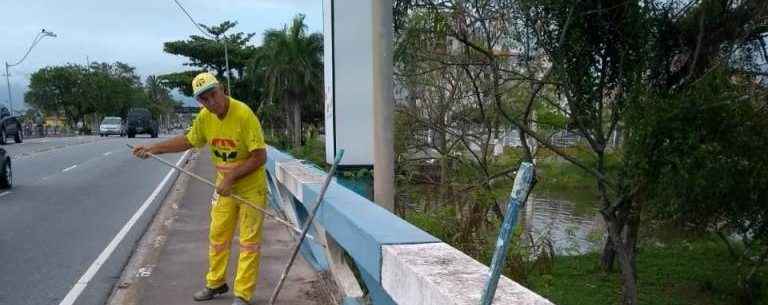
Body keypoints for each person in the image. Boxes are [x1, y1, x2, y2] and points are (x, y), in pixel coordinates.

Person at [132, 72, 267, 305]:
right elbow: (188, 141)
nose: (211, 102)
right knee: (217, 237)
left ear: (222, 89)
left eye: (213, 95)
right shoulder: (205, 118)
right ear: (199, 102)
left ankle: (243, 295)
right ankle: (216, 283)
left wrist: (231, 177)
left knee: (248, 242)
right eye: (204, 99)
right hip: (224, 188)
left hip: (250, 189)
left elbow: (260, 156)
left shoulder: (244, 115)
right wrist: (154, 149)